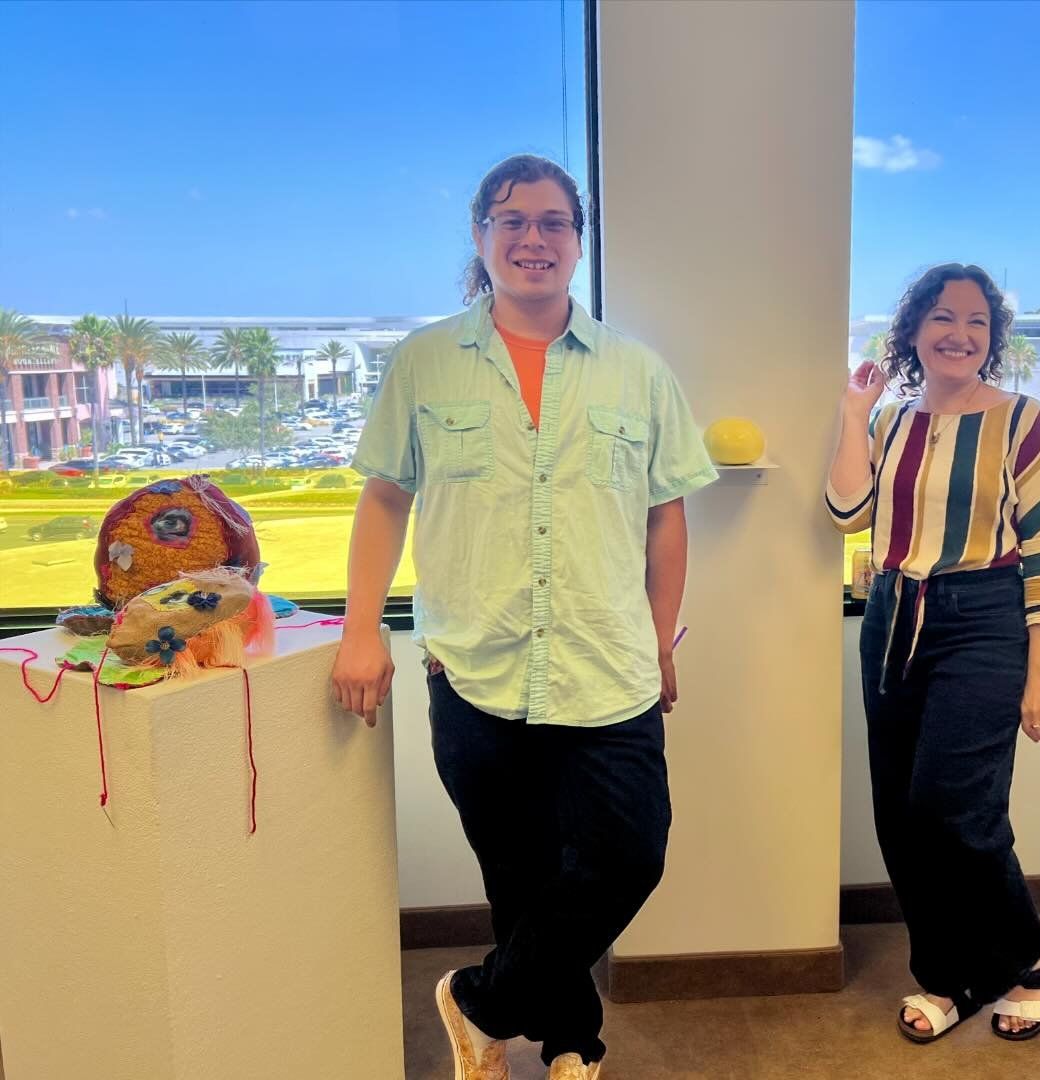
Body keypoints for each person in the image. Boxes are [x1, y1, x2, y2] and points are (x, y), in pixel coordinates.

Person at [331, 153, 717, 1080]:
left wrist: (660, 636)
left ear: (579, 242)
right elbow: (385, 498)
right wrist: (359, 630)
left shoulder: (637, 371)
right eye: (512, 220)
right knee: (521, 875)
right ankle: (572, 1045)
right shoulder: (425, 361)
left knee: (629, 854)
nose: (532, 238)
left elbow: (666, 517)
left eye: (553, 222)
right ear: (481, 236)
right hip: (475, 666)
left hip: (607, 661)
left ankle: (479, 1004)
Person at [826, 263, 1040, 1044]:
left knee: (955, 807)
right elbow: (846, 512)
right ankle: (947, 976)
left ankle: (1029, 953)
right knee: (900, 813)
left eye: (976, 321)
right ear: (914, 332)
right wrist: (853, 414)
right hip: (893, 615)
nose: (959, 334)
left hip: (984, 618)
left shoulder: (1021, 420)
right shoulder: (891, 422)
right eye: (941, 317)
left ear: (992, 337)